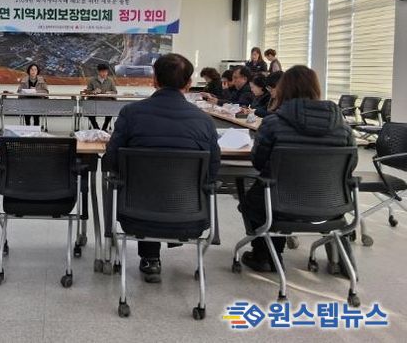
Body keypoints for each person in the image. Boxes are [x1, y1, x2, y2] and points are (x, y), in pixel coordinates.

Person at [104, 53, 220, 283]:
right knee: (168, 186)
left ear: (154, 80)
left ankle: (150, 258)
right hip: (188, 215)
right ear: (189, 83)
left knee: (147, 185)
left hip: (135, 214)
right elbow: (212, 171)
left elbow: (111, 161)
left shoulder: (131, 114)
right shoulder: (204, 121)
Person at [238, 66, 356, 272]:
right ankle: (342, 263)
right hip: (330, 204)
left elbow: (258, 162)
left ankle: (266, 256)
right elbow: (349, 167)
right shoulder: (343, 129)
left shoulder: (272, 123)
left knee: (258, 196)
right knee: (271, 194)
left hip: (279, 203)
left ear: (284, 89)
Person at [85, 64, 118, 131]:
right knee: (89, 111)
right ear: (98, 72)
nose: (104, 74)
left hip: (107, 102)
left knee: (111, 111)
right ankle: (96, 128)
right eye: (102, 72)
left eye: (106, 72)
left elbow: (115, 92)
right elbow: (87, 92)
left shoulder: (110, 80)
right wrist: (93, 91)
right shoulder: (92, 80)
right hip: (95, 102)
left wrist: (109, 92)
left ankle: (104, 128)